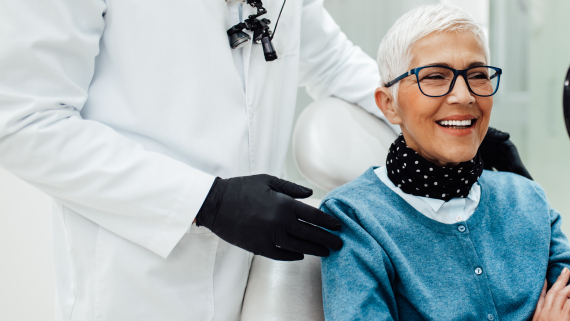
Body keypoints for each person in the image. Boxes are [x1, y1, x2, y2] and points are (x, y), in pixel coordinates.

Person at [0, 1, 529, 320]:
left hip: (250, 280)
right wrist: (208, 202)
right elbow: (23, 123)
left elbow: (334, 63)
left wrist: (450, 121)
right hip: (134, 283)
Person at [319, 5, 570, 321]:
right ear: (389, 105)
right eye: (436, 76)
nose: (464, 95)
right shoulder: (353, 218)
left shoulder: (527, 199)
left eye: (477, 75)